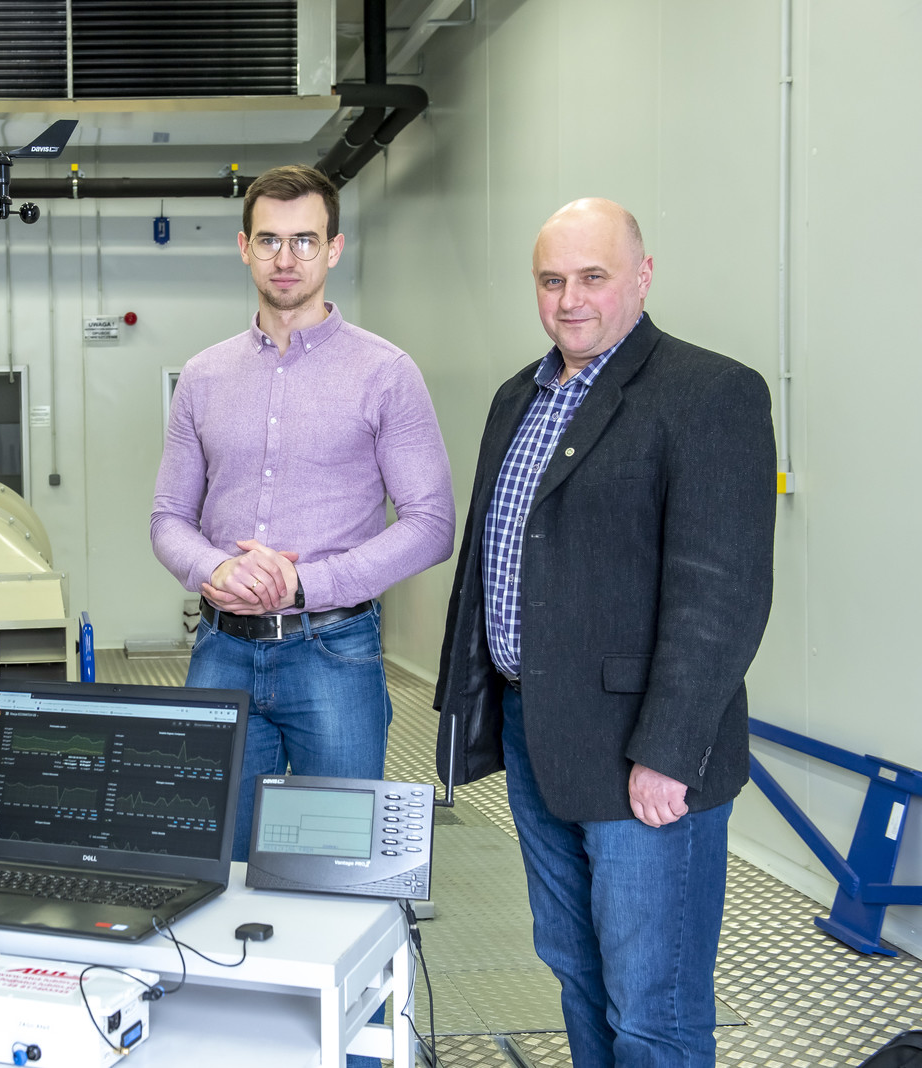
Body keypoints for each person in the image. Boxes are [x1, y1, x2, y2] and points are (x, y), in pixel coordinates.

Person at [434, 198, 776, 1067]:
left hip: (642, 754)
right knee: (576, 972)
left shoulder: (709, 393)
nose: (570, 299)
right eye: (551, 280)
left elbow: (722, 594)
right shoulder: (520, 396)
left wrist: (669, 751)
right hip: (536, 733)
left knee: (653, 1005)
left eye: (593, 277)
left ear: (644, 276)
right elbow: (493, 559)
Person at [151, 163, 455, 862]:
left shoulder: (387, 373)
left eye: (304, 240)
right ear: (244, 248)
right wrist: (215, 568)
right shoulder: (202, 377)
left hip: (334, 654)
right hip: (222, 651)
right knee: (208, 863)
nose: (285, 258)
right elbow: (168, 516)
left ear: (334, 249)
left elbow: (432, 524)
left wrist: (305, 583)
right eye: (269, 240)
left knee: (332, 866)